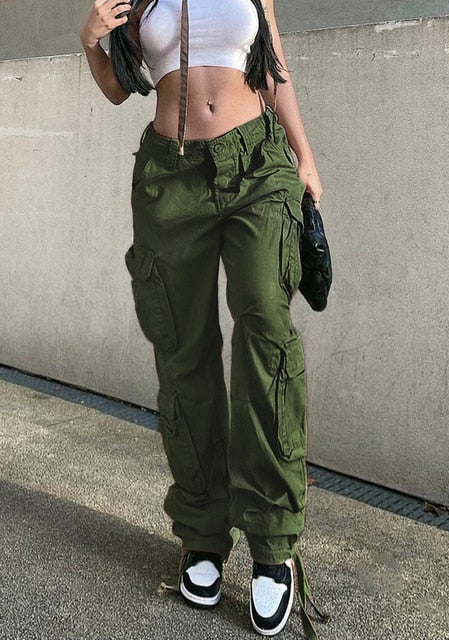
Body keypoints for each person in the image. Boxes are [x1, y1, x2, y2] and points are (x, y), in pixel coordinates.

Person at [81, 0, 324, 636]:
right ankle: (202, 533)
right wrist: (90, 42)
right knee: (183, 354)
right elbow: (119, 89)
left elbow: (273, 68)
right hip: (171, 175)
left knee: (267, 335)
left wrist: (304, 156)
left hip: (256, 166)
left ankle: (273, 542)